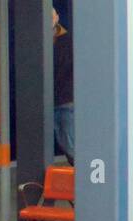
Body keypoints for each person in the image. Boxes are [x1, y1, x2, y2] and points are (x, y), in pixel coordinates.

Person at [53, 6, 74, 164]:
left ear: (57, 17)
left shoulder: (69, 40)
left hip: (66, 98)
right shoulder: (35, 40)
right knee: (62, 138)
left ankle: (83, 171)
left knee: (68, 138)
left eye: (52, 15)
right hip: (49, 99)